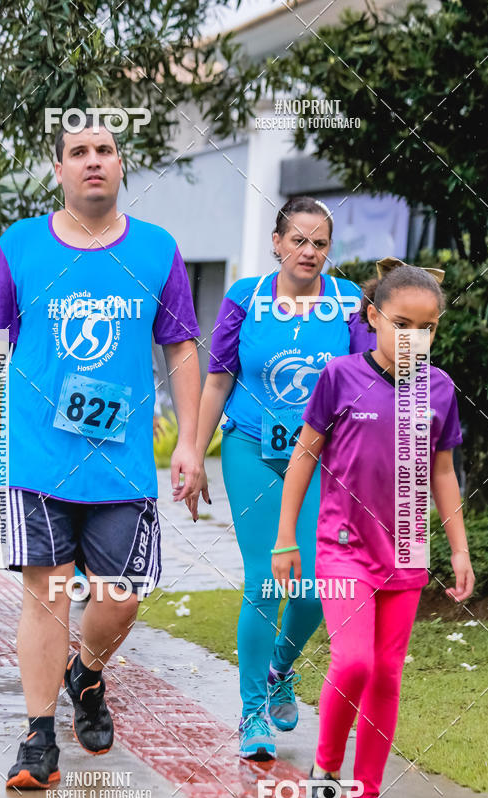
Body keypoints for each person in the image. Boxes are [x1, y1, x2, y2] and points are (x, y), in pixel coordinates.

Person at [0, 115, 201, 789]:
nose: (93, 161)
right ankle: (38, 738)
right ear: (58, 169)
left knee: (120, 597)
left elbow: (183, 348)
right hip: (36, 458)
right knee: (45, 596)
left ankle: (87, 672)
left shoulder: (158, 251)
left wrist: (191, 443)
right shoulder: (20, 247)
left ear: (120, 163)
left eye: (105, 150)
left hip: (123, 463)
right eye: (78, 151)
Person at [272, 261, 474, 798]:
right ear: (372, 317)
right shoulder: (339, 376)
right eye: (402, 323)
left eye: (428, 328)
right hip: (342, 546)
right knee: (354, 663)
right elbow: (304, 459)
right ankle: (325, 779)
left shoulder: (440, 390)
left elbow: (443, 474)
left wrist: (457, 549)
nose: (415, 337)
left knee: (386, 676)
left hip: (407, 548)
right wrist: (287, 536)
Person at [186, 196, 375, 761]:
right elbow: (217, 382)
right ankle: (251, 714)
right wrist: (194, 453)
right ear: (276, 242)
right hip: (252, 451)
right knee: (265, 579)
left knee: (318, 587)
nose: (308, 251)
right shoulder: (245, 298)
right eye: (298, 240)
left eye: (319, 243)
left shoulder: (347, 304)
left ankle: (278, 669)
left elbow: (369, 380)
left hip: (324, 461)